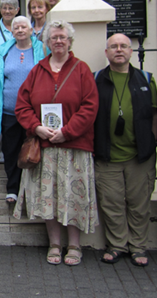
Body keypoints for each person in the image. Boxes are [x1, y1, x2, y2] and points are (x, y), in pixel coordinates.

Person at [13, 20, 99, 266]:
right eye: (54, 38)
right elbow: (22, 105)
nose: (58, 41)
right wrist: (37, 128)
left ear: (70, 41)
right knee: (48, 196)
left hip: (75, 147)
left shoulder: (82, 69)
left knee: (73, 196)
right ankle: (54, 243)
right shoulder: (37, 70)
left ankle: (73, 244)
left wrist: (67, 132)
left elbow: (90, 107)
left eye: (63, 37)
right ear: (47, 42)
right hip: (46, 147)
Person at [94, 33, 157, 267]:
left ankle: (138, 246)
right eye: (113, 46)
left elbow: (155, 115)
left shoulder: (146, 79)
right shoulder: (96, 79)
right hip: (107, 155)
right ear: (107, 52)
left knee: (139, 203)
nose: (119, 50)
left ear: (131, 52)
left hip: (139, 155)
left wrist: (151, 142)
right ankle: (117, 245)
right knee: (111, 203)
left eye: (124, 46)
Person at [0, 16, 45, 204]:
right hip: (9, 112)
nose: (20, 30)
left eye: (24, 27)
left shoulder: (42, 50)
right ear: (12, 31)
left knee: (34, 151)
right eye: (16, 27)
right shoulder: (4, 51)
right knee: (11, 151)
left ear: (31, 30)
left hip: (34, 114)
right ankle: (13, 188)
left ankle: (33, 190)